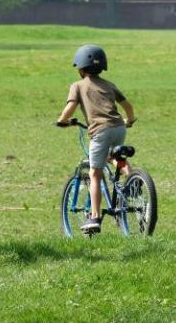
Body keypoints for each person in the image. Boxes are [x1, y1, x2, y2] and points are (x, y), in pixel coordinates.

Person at [56, 44, 136, 234]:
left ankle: (94, 216)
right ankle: (133, 185)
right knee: (116, 158)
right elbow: (128, 106)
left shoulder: (77, 86)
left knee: (95, 174)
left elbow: (70, 108)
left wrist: (62, 121)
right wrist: (130, 120)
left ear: (81, 69)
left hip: (100, 131)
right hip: (119, 127)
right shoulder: (109, 85)